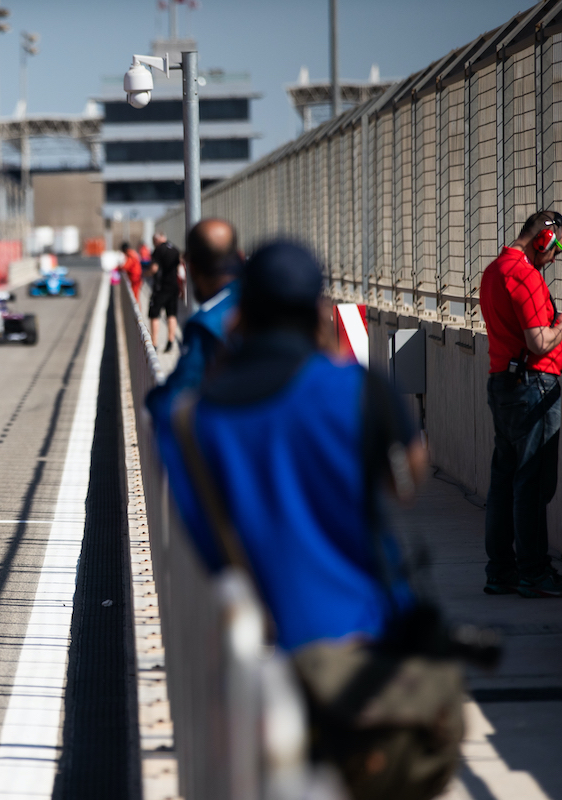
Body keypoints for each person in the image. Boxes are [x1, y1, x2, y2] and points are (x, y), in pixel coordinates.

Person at [149, 241, 462, 799]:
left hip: (248, 656)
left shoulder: (189, 421)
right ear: (317, 307)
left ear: (243, 310)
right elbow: (408, 482)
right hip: (360, 648)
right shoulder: (353, 389)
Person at [478, 210, 562, 598]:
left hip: (504, 382)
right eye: (557, 247)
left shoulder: (494, 269)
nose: (556, 257)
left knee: (505, 480)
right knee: (531, 482)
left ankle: (501, 571)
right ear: (544, 239)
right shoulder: (524, 275)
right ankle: (533, 570)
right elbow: (539, 342)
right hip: (533, 386)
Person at [160, 218, 242, 394]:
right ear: (240, 256)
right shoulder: (274, 302)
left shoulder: (206, 322)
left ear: (191, 267)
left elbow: (176, 396)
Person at [148, 232, 181, 353]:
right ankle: (170, 341)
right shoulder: (175, 249)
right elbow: (179, 269)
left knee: (154, 314)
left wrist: (145, 274)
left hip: (161, 288)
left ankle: (154, 342)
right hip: (173, 287)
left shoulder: (158, 250)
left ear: (157, 239)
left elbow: (154, 268)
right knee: (171, 314)